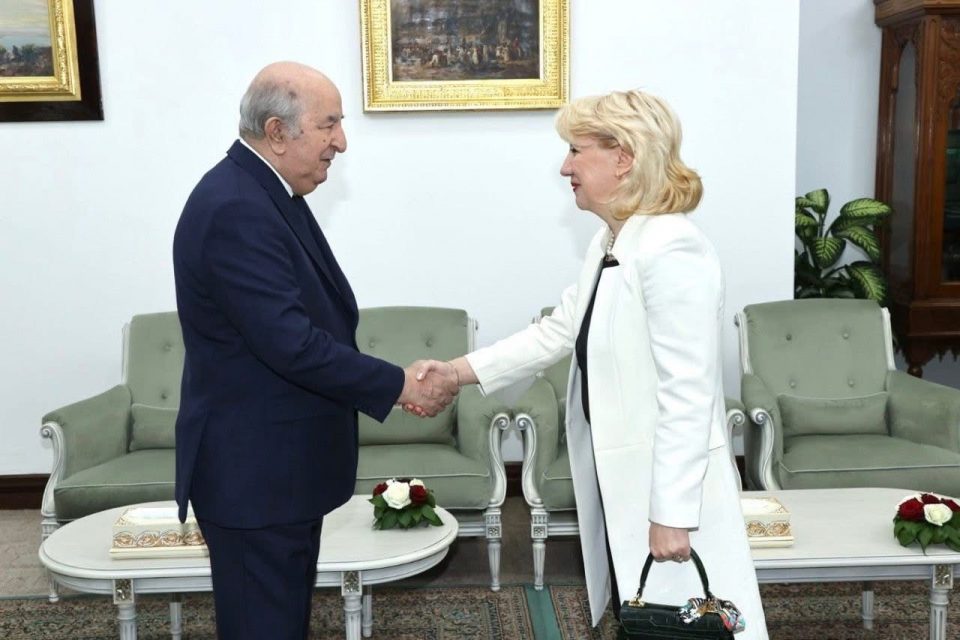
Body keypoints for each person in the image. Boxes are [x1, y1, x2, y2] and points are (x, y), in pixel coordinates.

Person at [415, 89, 768, 637]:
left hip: (667, 491)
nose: (565, 167)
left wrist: (672, 513)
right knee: (647, 619)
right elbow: (557, 331)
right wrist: (457, 372)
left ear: (623, 157)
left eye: (576, 151)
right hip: (620, 481)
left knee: (687, 623)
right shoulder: (612, 240)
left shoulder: (673, 248)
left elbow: (688, 390)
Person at [172, 61, 458, 640]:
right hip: (256, 478)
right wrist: (401, 385)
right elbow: (292, 344)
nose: (341, 142)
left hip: (278, 474)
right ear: (277, 132)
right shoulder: (236, 208)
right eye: (329, 125)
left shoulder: (265, 191)